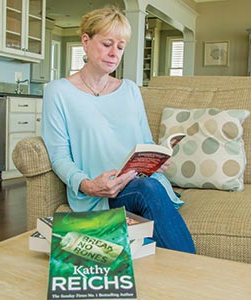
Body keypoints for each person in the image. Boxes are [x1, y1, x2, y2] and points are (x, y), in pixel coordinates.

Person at [42, 6, 195, 254]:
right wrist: (87, 185)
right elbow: (59, 155)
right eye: (107, 44)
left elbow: (144, 140)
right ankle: (195, 277)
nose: (114, 53)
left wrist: (157, 160)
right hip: (101, 193)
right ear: (86, 41)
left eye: (121, 47)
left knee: (149, 188)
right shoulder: (58, 92)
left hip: (141, 183)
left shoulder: (130, 89)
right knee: (149, 190)